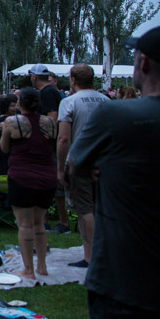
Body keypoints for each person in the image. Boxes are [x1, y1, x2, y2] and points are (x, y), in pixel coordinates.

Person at [68, 26, 160, 319]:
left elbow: (75, 168)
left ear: (143, 64)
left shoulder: (116, 116)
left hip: (125, 286)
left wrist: (102, 168)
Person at [0, 88, 58, 281]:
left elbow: (4, 148)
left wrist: (3, 132)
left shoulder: (12, 122)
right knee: (39, 222)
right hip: (47, 176)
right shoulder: (50, 122)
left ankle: (28, 270)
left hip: (21, 176)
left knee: (24, 225)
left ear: (20, 103)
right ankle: (42, 266)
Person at [55, 64, 107, 267]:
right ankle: (103, 251)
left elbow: (63, 139)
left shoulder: (69, 102)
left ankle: (89, 256)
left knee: (84, 209)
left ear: (73, 80)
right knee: (101, 208)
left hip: (79, 161)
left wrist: (60, 168)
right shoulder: (107, 101)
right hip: (104, 161)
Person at [29, 64, 69, 233]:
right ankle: (45, 221)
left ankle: (63, 222)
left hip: (50, 146)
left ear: (34, 77)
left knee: (53, 184)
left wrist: (40, 137)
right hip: (51, 144)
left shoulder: (47, 93)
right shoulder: (49, 92)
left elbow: (52, 119)